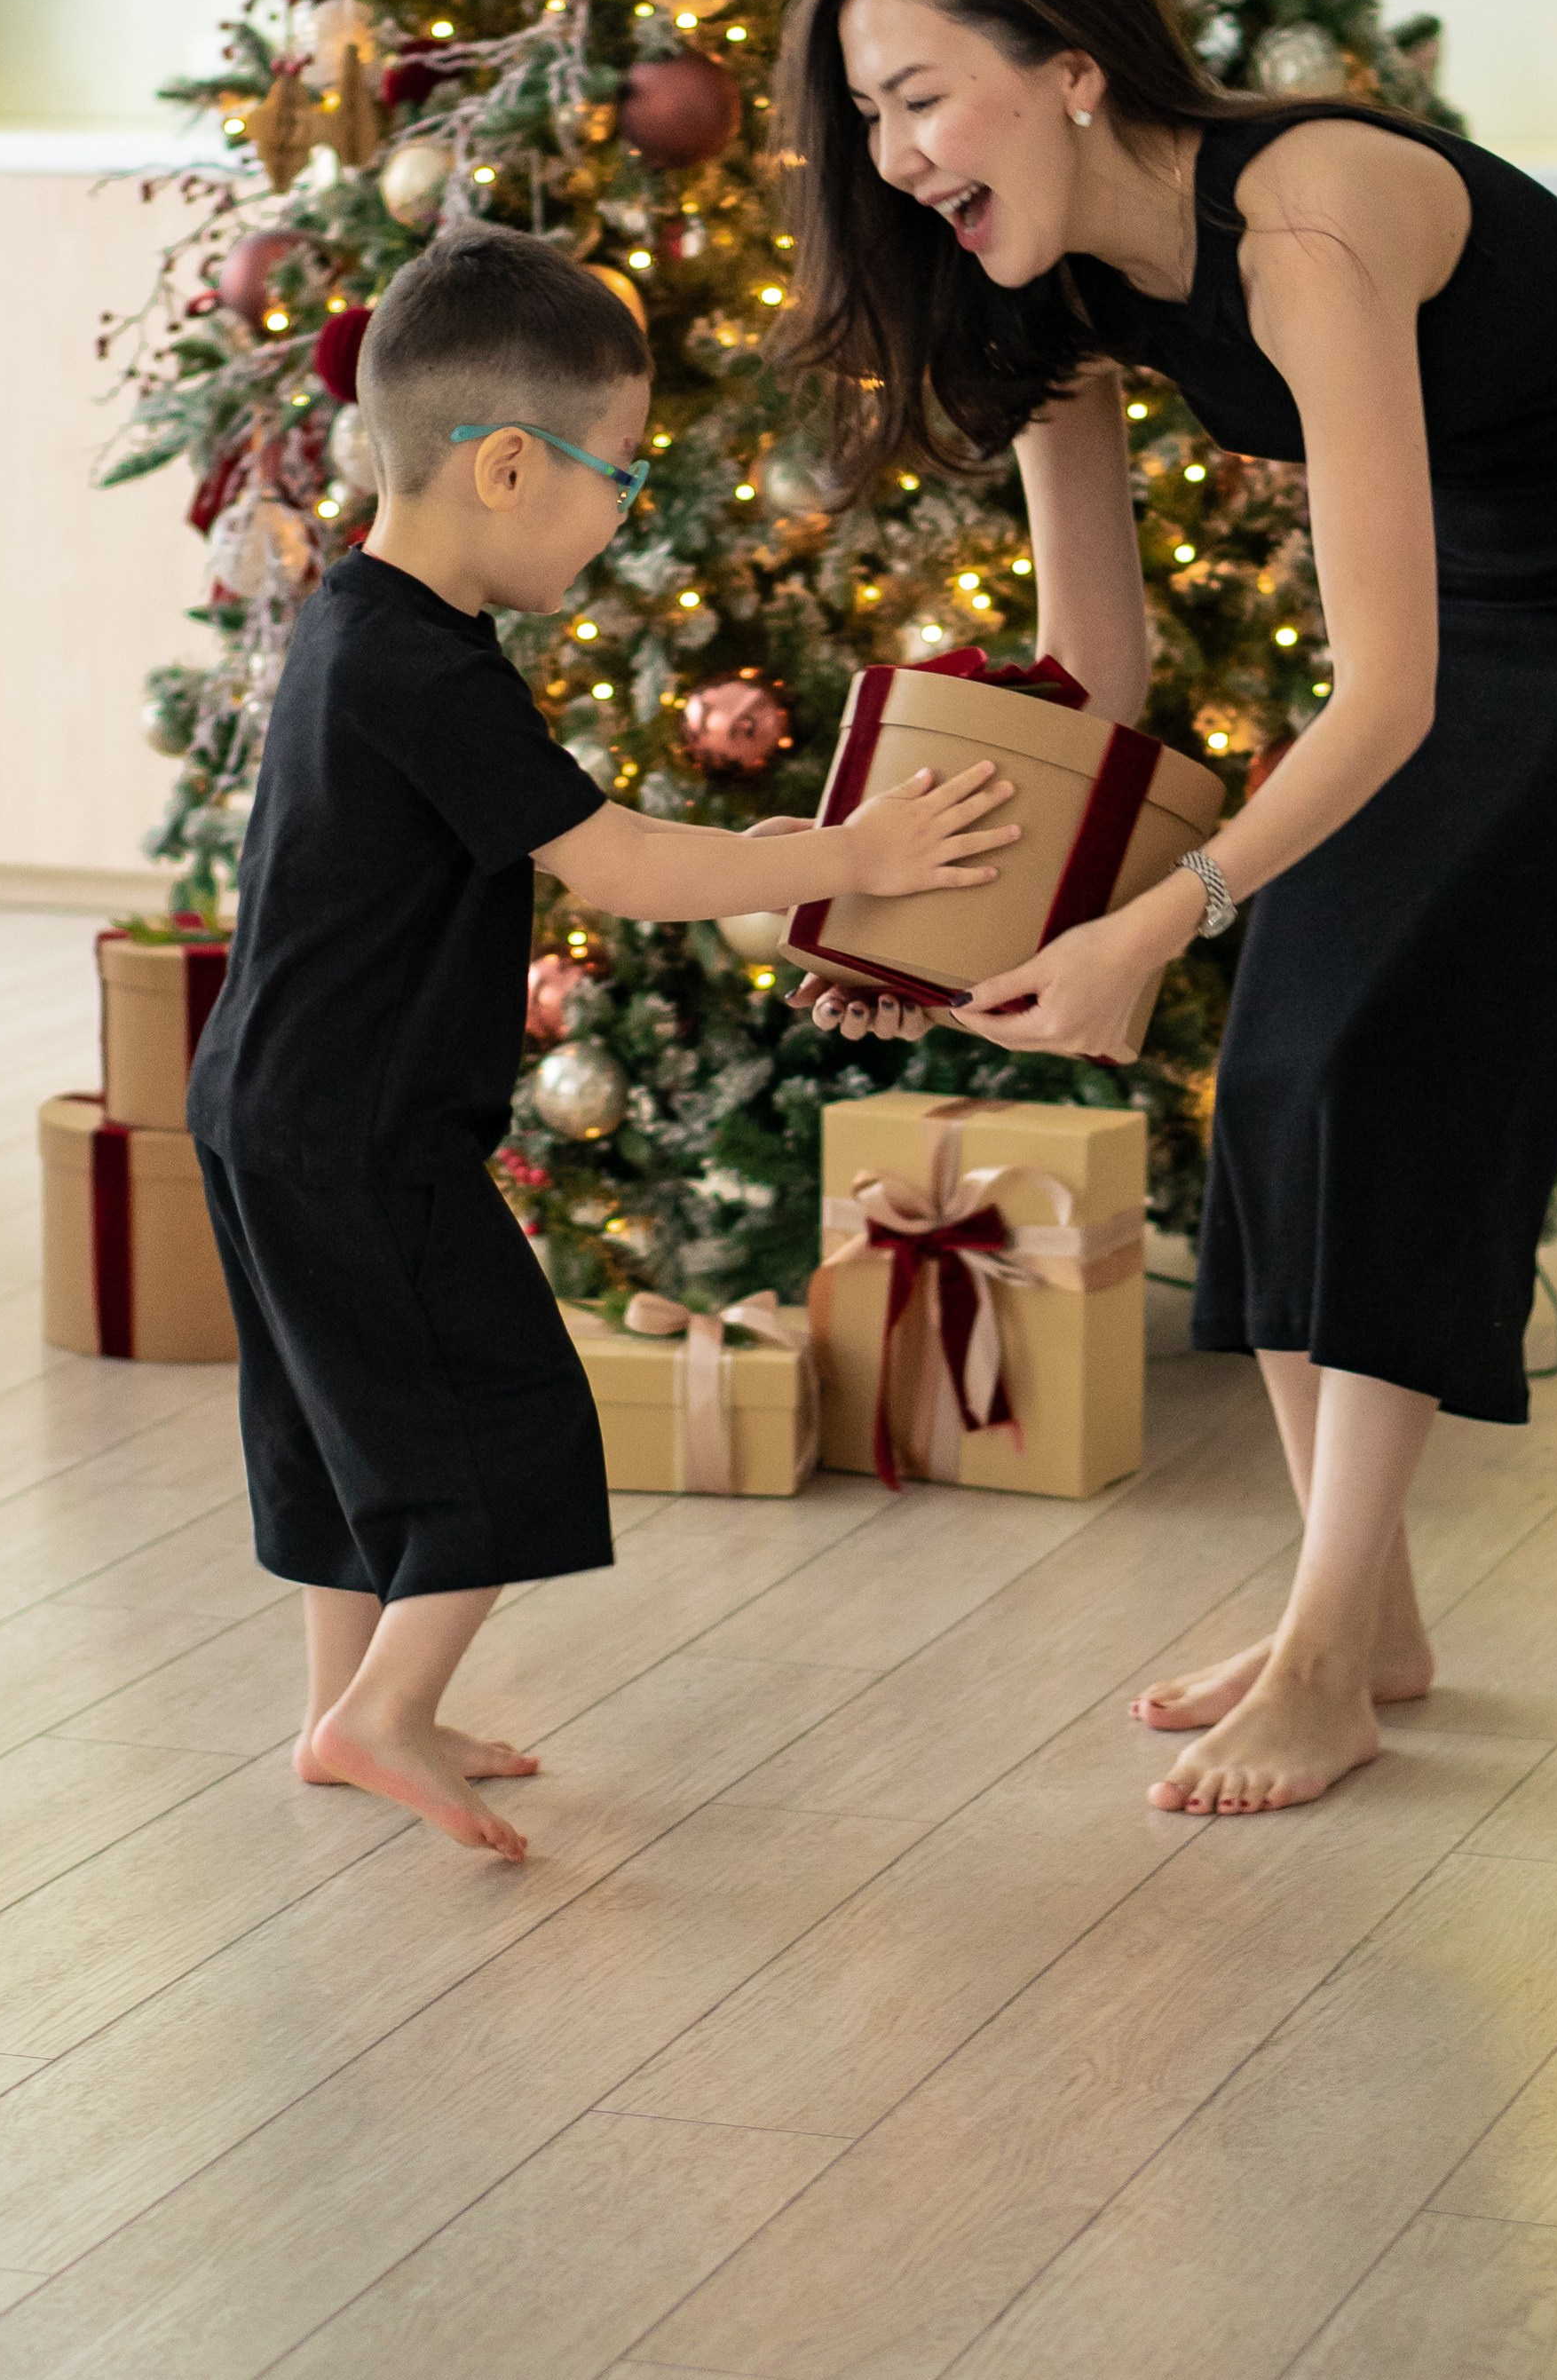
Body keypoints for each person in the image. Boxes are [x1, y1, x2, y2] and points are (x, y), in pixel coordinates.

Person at [775, 0, 1557, 1820]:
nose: (896, 156)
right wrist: (931, 892)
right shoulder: (1047, 287)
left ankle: (1332, 1656)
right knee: (1284, 1059)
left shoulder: (1307, 217)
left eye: (921, 97)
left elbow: (1391, 694)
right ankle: (1370, 1616)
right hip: (1467, 607)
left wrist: (1164, 911)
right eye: (869, 118)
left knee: (1393, 1049)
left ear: (1073, 68)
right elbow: (1096, 661)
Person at [187, 227, 1018, 1862]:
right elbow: (624, 868)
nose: (629, 507)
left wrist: (788, 853)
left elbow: (587, 837)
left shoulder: (363, 626)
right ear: (508, 464)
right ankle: (380, 1715)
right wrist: (849, 859)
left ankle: (343, 1714)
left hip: (265, 1109)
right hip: (363, 1131)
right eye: (618, 474)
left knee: (338, 1427)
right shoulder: (430, 674)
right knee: (502, 1423)